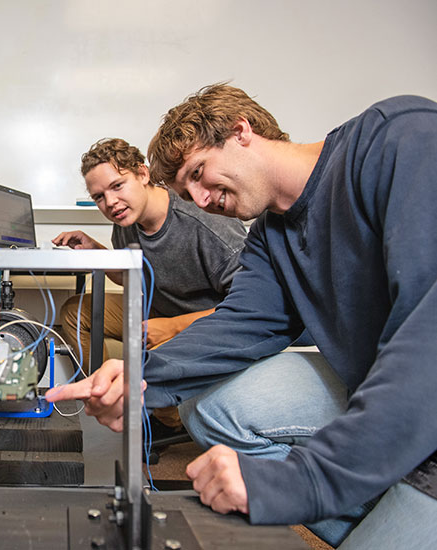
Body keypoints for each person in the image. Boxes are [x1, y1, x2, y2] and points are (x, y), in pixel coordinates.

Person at [47, 84, 437, 548]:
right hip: (374, 386)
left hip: (424, 401)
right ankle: (376, 488)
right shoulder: (271, 236)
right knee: (210, 408)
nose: (200, 198)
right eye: (185, 191)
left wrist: (304, 481)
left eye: (199, 172)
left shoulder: (399, 138)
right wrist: (139, 377)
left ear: (240, 131)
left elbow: (427, 345)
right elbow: (240, 324)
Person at [52, 138, 246, 438]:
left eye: (118, 186)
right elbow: (135, 277)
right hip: (157, 312)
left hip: (210, 323)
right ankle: (110, 397)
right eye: (99, 197)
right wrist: (98, 252)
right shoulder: (125, 220)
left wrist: (172, 327)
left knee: (159, 347)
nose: (110, 202)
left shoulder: (205, 224)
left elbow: (250, 307)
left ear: (143, 174)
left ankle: (169, 422)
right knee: (78, 312)